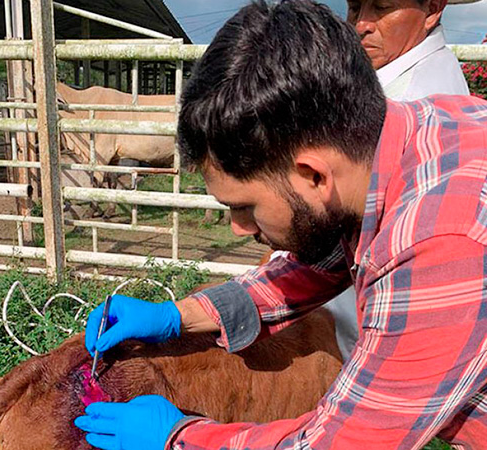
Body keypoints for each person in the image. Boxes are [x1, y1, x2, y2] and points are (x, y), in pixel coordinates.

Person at [74, 1, 487, 448]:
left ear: (313, 175)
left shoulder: (441, 243)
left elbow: (340, 444)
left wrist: (178, 439)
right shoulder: (417, 132)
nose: (238, 227)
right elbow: (320, 265)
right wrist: (181, 316)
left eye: (245, 206)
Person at [273, 0, 472, 362]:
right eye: (354, 7)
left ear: (432, 9)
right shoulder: (406, 80)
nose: (362, 24)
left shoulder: (409, 100)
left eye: (381, 7)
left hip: (362, 329)